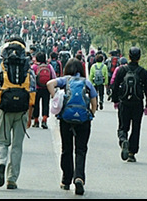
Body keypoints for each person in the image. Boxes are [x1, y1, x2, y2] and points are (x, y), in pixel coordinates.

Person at [0, 37, 36, 190]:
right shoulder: (28, 70)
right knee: (17, 146)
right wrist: (29, 116)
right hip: (22, 111)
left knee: (1, 141)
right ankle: (12, 179)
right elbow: (32, 94)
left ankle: (0, 162)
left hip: (4, 109)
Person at [46, 58, 98, 196]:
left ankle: (66, 180)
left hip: (66, 119)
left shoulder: (65, 80)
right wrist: (90, 114)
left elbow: (49, 83)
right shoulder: (86, 82)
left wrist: (56, 97)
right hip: (83, 120)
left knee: (66, 149)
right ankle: (79, 177)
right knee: (81, 150)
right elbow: (94, 102)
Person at [111, 46, 147, 163]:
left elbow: (115, 86)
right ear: (139, 58)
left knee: (123, 126)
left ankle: (123, 139)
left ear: (128, 57)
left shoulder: (121, 70)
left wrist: (116, 100)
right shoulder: (143, 72)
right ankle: (131, 153)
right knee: (136, 127)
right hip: (137, 104)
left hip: (124, 103)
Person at [31, 51, 57, 129]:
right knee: (45, 104)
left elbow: (30, 78)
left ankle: (36, 121)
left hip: (36, 89)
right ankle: (44, 120)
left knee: (36, 104)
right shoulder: (49, 66)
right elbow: (54, 76)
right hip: (46, 88)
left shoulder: (34, 67)